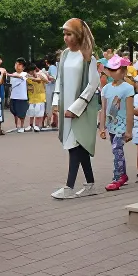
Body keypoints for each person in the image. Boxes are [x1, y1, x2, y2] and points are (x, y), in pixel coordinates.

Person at [50, 19, 101, 199]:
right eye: (64, 34)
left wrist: (76, 107)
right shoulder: (64, 55)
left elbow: (92, 84)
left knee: (75, 146)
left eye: (69, 34)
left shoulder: (88, 57)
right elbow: (59, 80)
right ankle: (90, 184)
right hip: (66, 108)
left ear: (78, 35)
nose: (65, 38)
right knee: (79, 146)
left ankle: (69, 187)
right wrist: (56, 101)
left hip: (82, 109)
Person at [99, 56, 134, 190]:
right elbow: (103, 109)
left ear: (124, 71)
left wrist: (129, 130)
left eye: (116, 69)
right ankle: (123, 174)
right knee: (116, 150)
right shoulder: (106, 88)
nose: (113, 72)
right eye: (111, 69)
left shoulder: (128, 88)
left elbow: (130, 111)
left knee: (117, 149)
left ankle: (118, 177)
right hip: (111, 125)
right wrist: (102, 127)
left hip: (123, 126)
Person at [25, 62, 48, 132]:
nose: (31, 72)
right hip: (32, 97)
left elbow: (46, 80)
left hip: (40, 97)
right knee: (31, 112)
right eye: (29, 71)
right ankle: (31, 125)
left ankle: (37, 125)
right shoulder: (27, 77)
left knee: (39, 113)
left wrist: (38, 75)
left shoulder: (40, 75)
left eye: (32, 71)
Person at [8, 58, 29, 133]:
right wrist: (9, 96)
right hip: (13, 97)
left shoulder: (24, 74)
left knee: (21, 113)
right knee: (14, 112)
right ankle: (17, 126)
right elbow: (11, 86)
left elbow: (19, 77)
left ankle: (22, 126)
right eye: (16, 64)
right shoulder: (13, 74)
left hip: (22, 97)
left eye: (19, 65)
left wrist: (7, 74)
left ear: (23, 67)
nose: (17, 66)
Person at [44, 54, 59, 129]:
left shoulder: (52, 67)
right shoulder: (54, 67)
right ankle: (52, 123)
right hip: (52, 89)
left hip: (51, 89)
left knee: (50, 107)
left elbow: (53, 78)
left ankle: (49, 123)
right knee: (52, 107)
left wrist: (45, 75)